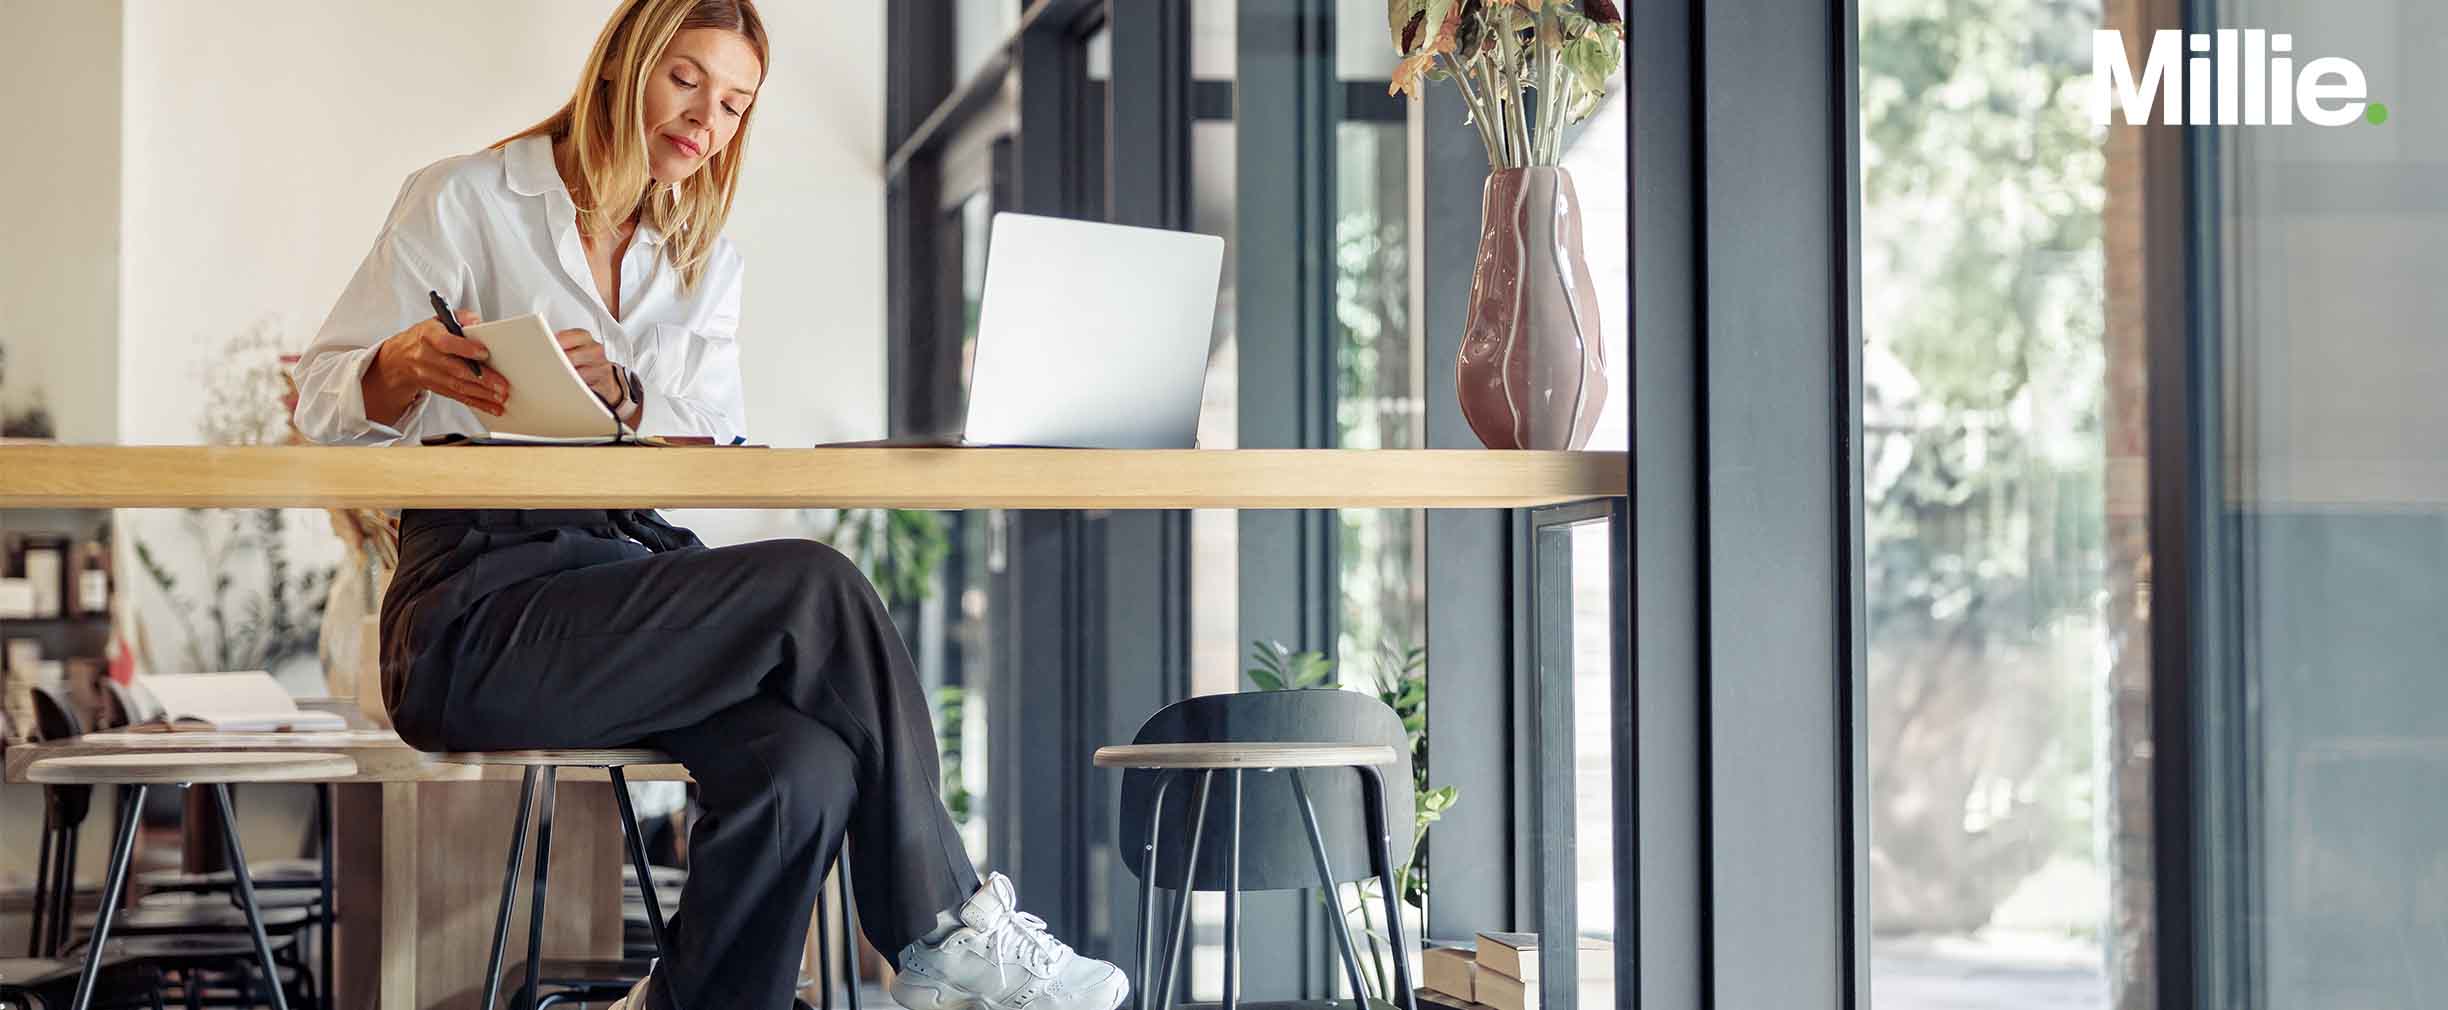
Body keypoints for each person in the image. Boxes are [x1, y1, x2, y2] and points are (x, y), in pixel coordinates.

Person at [291, 3, 1127, 1009]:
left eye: (733, 103)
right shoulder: (467, 197)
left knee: (804, 767)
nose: (706, 118)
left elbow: (712, 446)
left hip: (618, 582)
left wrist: (632, 400)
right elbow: (324, 405)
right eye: (686, 79)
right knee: (813, 584)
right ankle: (944, 927)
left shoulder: (698, 258)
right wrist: (399, 362)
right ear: (621, 67)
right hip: (478, 615)